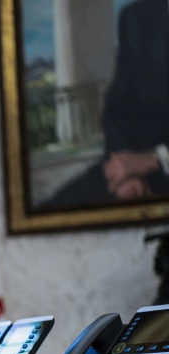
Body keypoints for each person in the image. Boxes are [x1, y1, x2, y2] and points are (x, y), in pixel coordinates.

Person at [46, 0, 169, 207]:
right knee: (53, 211)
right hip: (134, 167)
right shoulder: (136, 17)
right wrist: (126, 173)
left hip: (158, 166)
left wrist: (154, 160)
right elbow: (118, 108)